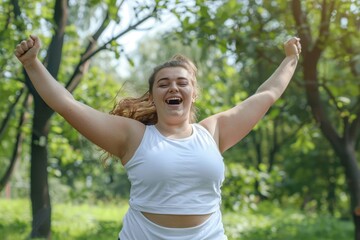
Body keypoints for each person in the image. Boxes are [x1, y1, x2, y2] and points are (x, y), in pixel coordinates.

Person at [15, 34, 301, 240]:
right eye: (163, 84)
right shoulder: (133, 136)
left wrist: (290, 59)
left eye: (182, 83)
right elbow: (68, 104)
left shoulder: (214, 131)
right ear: (153, 96)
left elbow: (266, 95)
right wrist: (32, 65)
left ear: (193, 93)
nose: (173, 88)